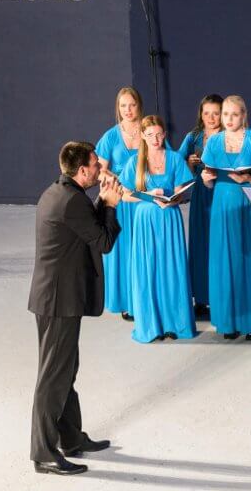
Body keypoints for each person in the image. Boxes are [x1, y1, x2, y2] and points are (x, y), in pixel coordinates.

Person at [28, 141, 122, 476]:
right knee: (53, 377)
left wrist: (101, 200)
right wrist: (110, 205)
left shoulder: (64, 192)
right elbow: (104, 242)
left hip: (56, 298)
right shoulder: (69, 201)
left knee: (66, 369)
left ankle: (70, 438)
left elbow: (85, 225)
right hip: (58, 301)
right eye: (96, 165)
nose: (100, 168)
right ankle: (43, 452)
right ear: (82, 171)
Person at [118, 115, 197, 343]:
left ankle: (175, 324)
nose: (155, 138)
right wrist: (148, 196)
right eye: (150, 134)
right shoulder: (136, 162)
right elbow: (124, 194)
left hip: (169, 218)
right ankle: (152, 325)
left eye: (159, 134)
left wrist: (175, 197)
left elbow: (182, 189)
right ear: (143, 135)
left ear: (164, 134)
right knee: (149, 268)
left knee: (171, 268)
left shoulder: (174, 159)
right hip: (145, 220)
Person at [201, 95, 251, 340]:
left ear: (244, 115)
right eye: (225, 114)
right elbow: (210, 182)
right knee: (224, 261)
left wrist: (248, 179)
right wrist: (206, 180)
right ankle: (227, 322)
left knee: (249, 261)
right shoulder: (214, 142)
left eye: (234, 114)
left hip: (249, 205)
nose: (228, 119)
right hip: (222, 206)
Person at [95, 86, 142, 320]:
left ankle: (144, 297)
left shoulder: (148, 130)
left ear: (138, 105)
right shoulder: (111, 136)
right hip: (121, 200)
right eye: (123, 106)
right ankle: (126, 300)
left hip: (143, 199)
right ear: (118, 108)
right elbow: (99, 172)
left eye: (131, 105)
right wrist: (117, 183)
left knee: (142, 248)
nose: (128, 110)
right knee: (124, 250)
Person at [178, 94, 222, 317]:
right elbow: (176, 164)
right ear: (201, 114)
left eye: (216, 113)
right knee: (200, 244)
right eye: (207, 113)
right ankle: (202, 298)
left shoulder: (227, 135)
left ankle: (220, 295)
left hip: (219, 193)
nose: (211, 117)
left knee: (218, 244)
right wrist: (188, 162)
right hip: (199, 196)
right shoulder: (193, 136)